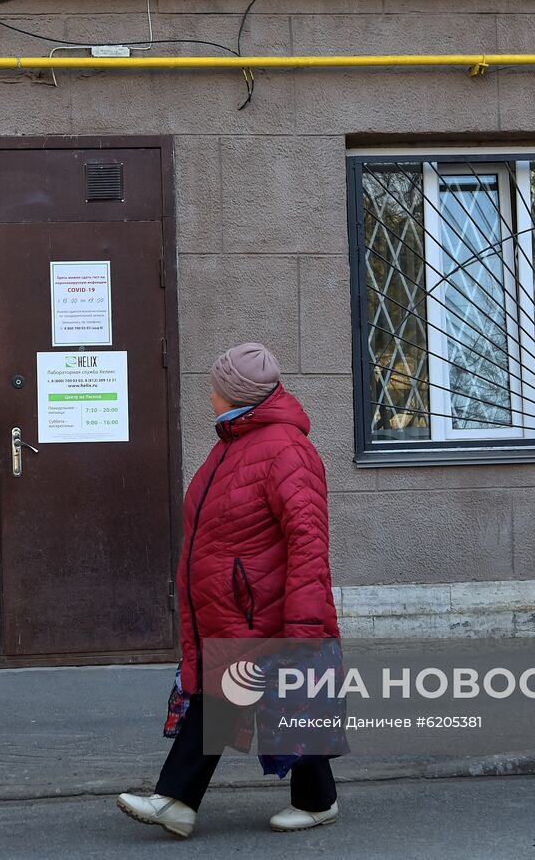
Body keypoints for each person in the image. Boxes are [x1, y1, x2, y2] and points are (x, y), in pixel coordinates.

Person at [117, 342, 342, 838]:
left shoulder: (285, 447)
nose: (210, 396)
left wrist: (303, 620)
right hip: (236, 605)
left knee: (232, 698)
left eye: (216, 388)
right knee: (262, 700)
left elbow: (308, 537)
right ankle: (315, 800)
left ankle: (176, 800)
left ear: (236, 393)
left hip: (261, 607)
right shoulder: (236, 441)